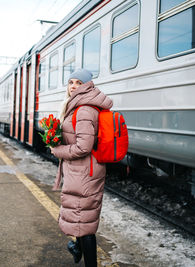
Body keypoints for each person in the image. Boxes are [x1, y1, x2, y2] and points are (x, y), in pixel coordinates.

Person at [50, 68, 113, 267]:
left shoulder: (84, 109)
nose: (73, 86)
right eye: (71, 82)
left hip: (84, 173)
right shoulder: (78, 106)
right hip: (81, 172)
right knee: (81, 220)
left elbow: (83, 147)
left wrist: (57, 149)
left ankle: (84, 257)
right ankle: (77, 248)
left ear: (87, 85)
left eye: (78, 82)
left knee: (84, 225)